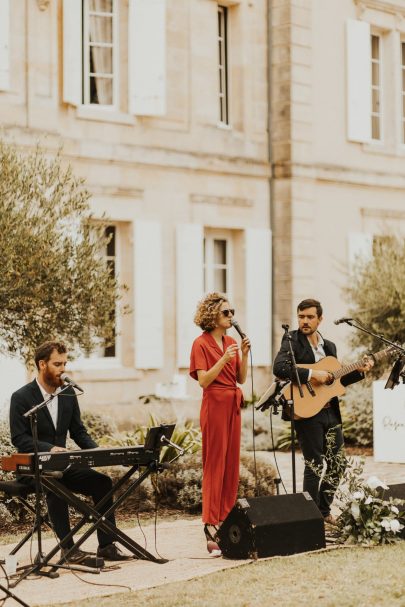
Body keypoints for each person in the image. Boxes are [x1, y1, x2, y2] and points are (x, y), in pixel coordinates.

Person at [9, 341, 129, 563]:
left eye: (65, 363)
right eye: (57, 364)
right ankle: (69, 549)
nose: (63, 369)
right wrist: (50, 448)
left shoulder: (67, 393)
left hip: (62, 466)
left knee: (102, 482)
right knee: (56, 483)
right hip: (34, 469)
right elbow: (20, 439)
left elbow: (78, 432)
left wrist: (100, 452)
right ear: (42, 364)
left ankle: (107, 545)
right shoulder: (22, 397)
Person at [273, 298, 374, 523]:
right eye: (301, 316)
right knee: (315, 464)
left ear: (320, 319)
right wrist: (312, 374)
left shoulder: (329, 347)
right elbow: (279, 368)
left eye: (310, 317)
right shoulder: (292, 340)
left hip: (330, 411)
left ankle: (322, 511)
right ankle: (309, 518)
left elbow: (335, 382)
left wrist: (360, 370)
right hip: (306, 411)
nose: (305, 321)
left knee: (338, 464)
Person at [189, 293, 251, 552]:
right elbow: (204, 381)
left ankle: (226, 517)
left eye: (232, 311)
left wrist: (243, 355)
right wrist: (223, 359)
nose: (231, 316)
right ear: (212, 315)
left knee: (231, 463)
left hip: (232, 404)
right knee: (214, 463)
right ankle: (210, 522)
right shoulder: (200, 343)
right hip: (214, 404)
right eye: (226, 312)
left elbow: (241, 379)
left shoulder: (231, 341)